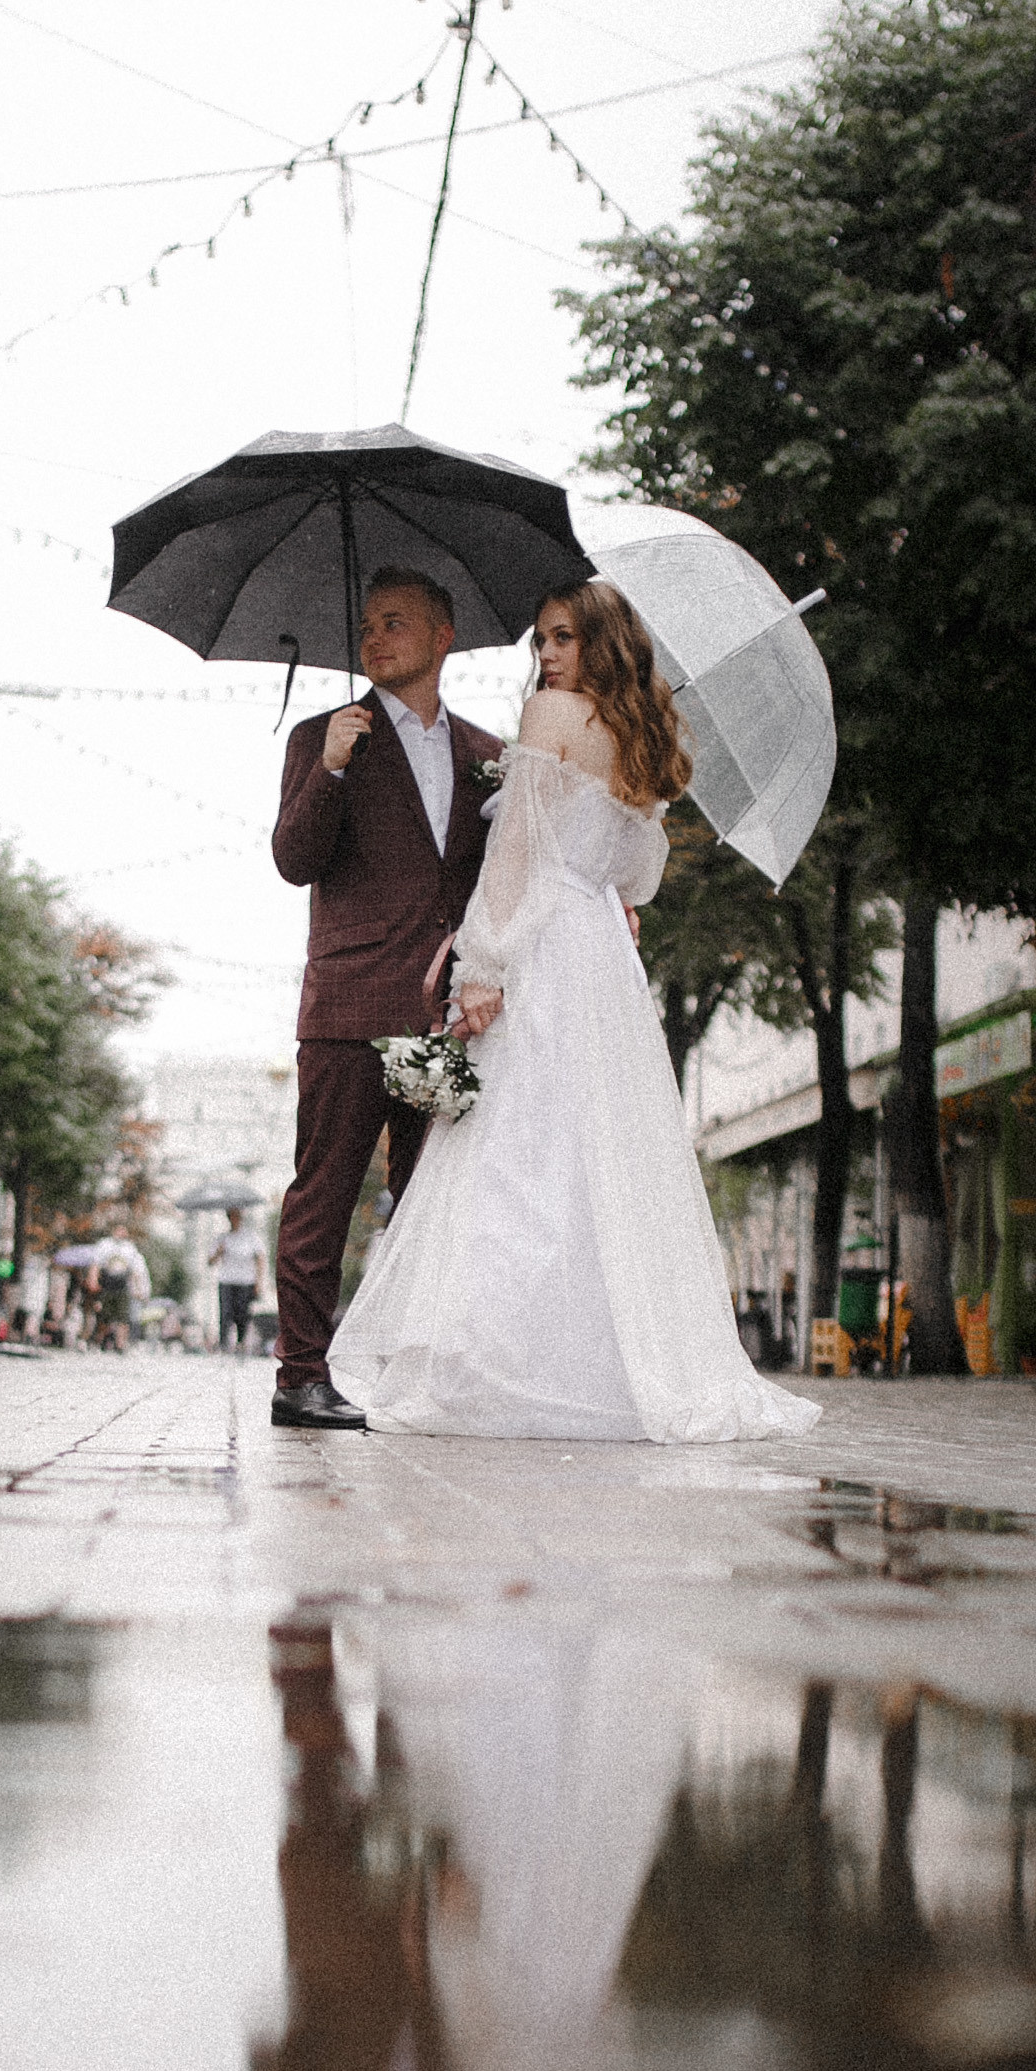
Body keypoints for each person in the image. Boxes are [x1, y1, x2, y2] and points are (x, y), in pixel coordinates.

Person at [325, 581, 819, 1445]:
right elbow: (637, 880)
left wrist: (482, 963)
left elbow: (514, 851)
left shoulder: (551, 717)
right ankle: (601, 1366)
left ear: (602, 641)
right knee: (600, 1161)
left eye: (563, 637)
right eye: (540, 640)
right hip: (604, 960)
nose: (547, 656)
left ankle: (504, 1365)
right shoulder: (651, 741)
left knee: (517, 1152)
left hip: (548, 945)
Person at [267, 570, 503, 1432]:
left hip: (441, 1020)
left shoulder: (487, 752)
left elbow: (497, 880)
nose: (375, 638)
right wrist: (330, 766)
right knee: (323, 1194)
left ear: (443, 636)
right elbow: (295, 858)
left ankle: (418, 1373)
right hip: (347, 1009)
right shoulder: (325, 737)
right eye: (367, 624)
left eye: (395, 623)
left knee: (434, 1198)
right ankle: (300, 1374)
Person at [206, 1203, 263, 1354]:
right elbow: (210, 1262)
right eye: (231, 1216)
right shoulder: (222, 1238)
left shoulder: (250, 1237)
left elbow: (260, 1259)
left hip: (245, 1281)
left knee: (242, 1313)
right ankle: (224, 1343)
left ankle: (240, 1342)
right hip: (227, 1280)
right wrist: (219, 1252)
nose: (234, 1219)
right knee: (225, 1312)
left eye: (237, 1216)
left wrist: (258, 1282)